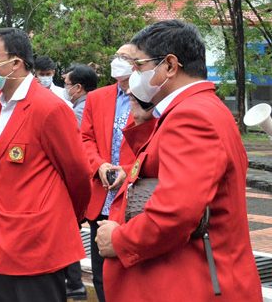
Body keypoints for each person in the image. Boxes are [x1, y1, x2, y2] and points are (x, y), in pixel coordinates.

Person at [95, 20, 262, 301]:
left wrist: (120, 240)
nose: (132, 76)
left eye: (138, 66)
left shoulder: (191, 116)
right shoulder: (194, 109)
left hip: (190, 283)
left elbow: (176, 212)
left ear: (170, 66)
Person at [0, 28, 91, 301]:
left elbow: (77, 174)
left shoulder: (49, 108)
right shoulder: (1, 106)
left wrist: (59, 218)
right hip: (2, 238)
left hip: (38, 243)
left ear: (16, 62)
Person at [79, 45, 138, 302]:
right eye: (116, 56)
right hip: (100, 196)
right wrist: (99, 165)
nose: (118, 61)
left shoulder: (148, 98)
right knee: (101, 271)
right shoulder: (97, 97)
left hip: (131, 197)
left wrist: (127, 171)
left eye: (125, 57)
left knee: (129, 270)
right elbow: (84, 139)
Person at [60, 64, 98, 300]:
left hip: (79, 181)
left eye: (66, 84)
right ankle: (74, 283)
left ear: (78, 88)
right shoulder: (92, 107)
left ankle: (74, 283)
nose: (65, 88)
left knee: (68, 231)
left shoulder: (77, 113)